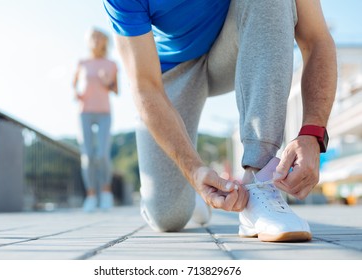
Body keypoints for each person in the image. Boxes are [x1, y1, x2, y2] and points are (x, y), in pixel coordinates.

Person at [103, 0, 337, 241]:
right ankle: (188, 196)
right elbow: (145, 87)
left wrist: (312, 133)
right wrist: (193, 171)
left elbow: (316, 38)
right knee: (167, 217)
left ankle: (259, 182)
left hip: (232, 42)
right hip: (173, 69)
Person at [73, 28, 118, 212]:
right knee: (87, 157)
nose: (96, 40)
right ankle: (91, 196)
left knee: (102, 154)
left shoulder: (111, 64)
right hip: (84, 112)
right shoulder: (82, 62)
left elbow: (116, 90)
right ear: (88, 40)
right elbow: (73, 83)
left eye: (99, 37)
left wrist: (107, 81)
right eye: (93, 37)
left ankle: (106, 194)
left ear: (104, 41)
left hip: (104, 113)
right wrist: (76, 93)